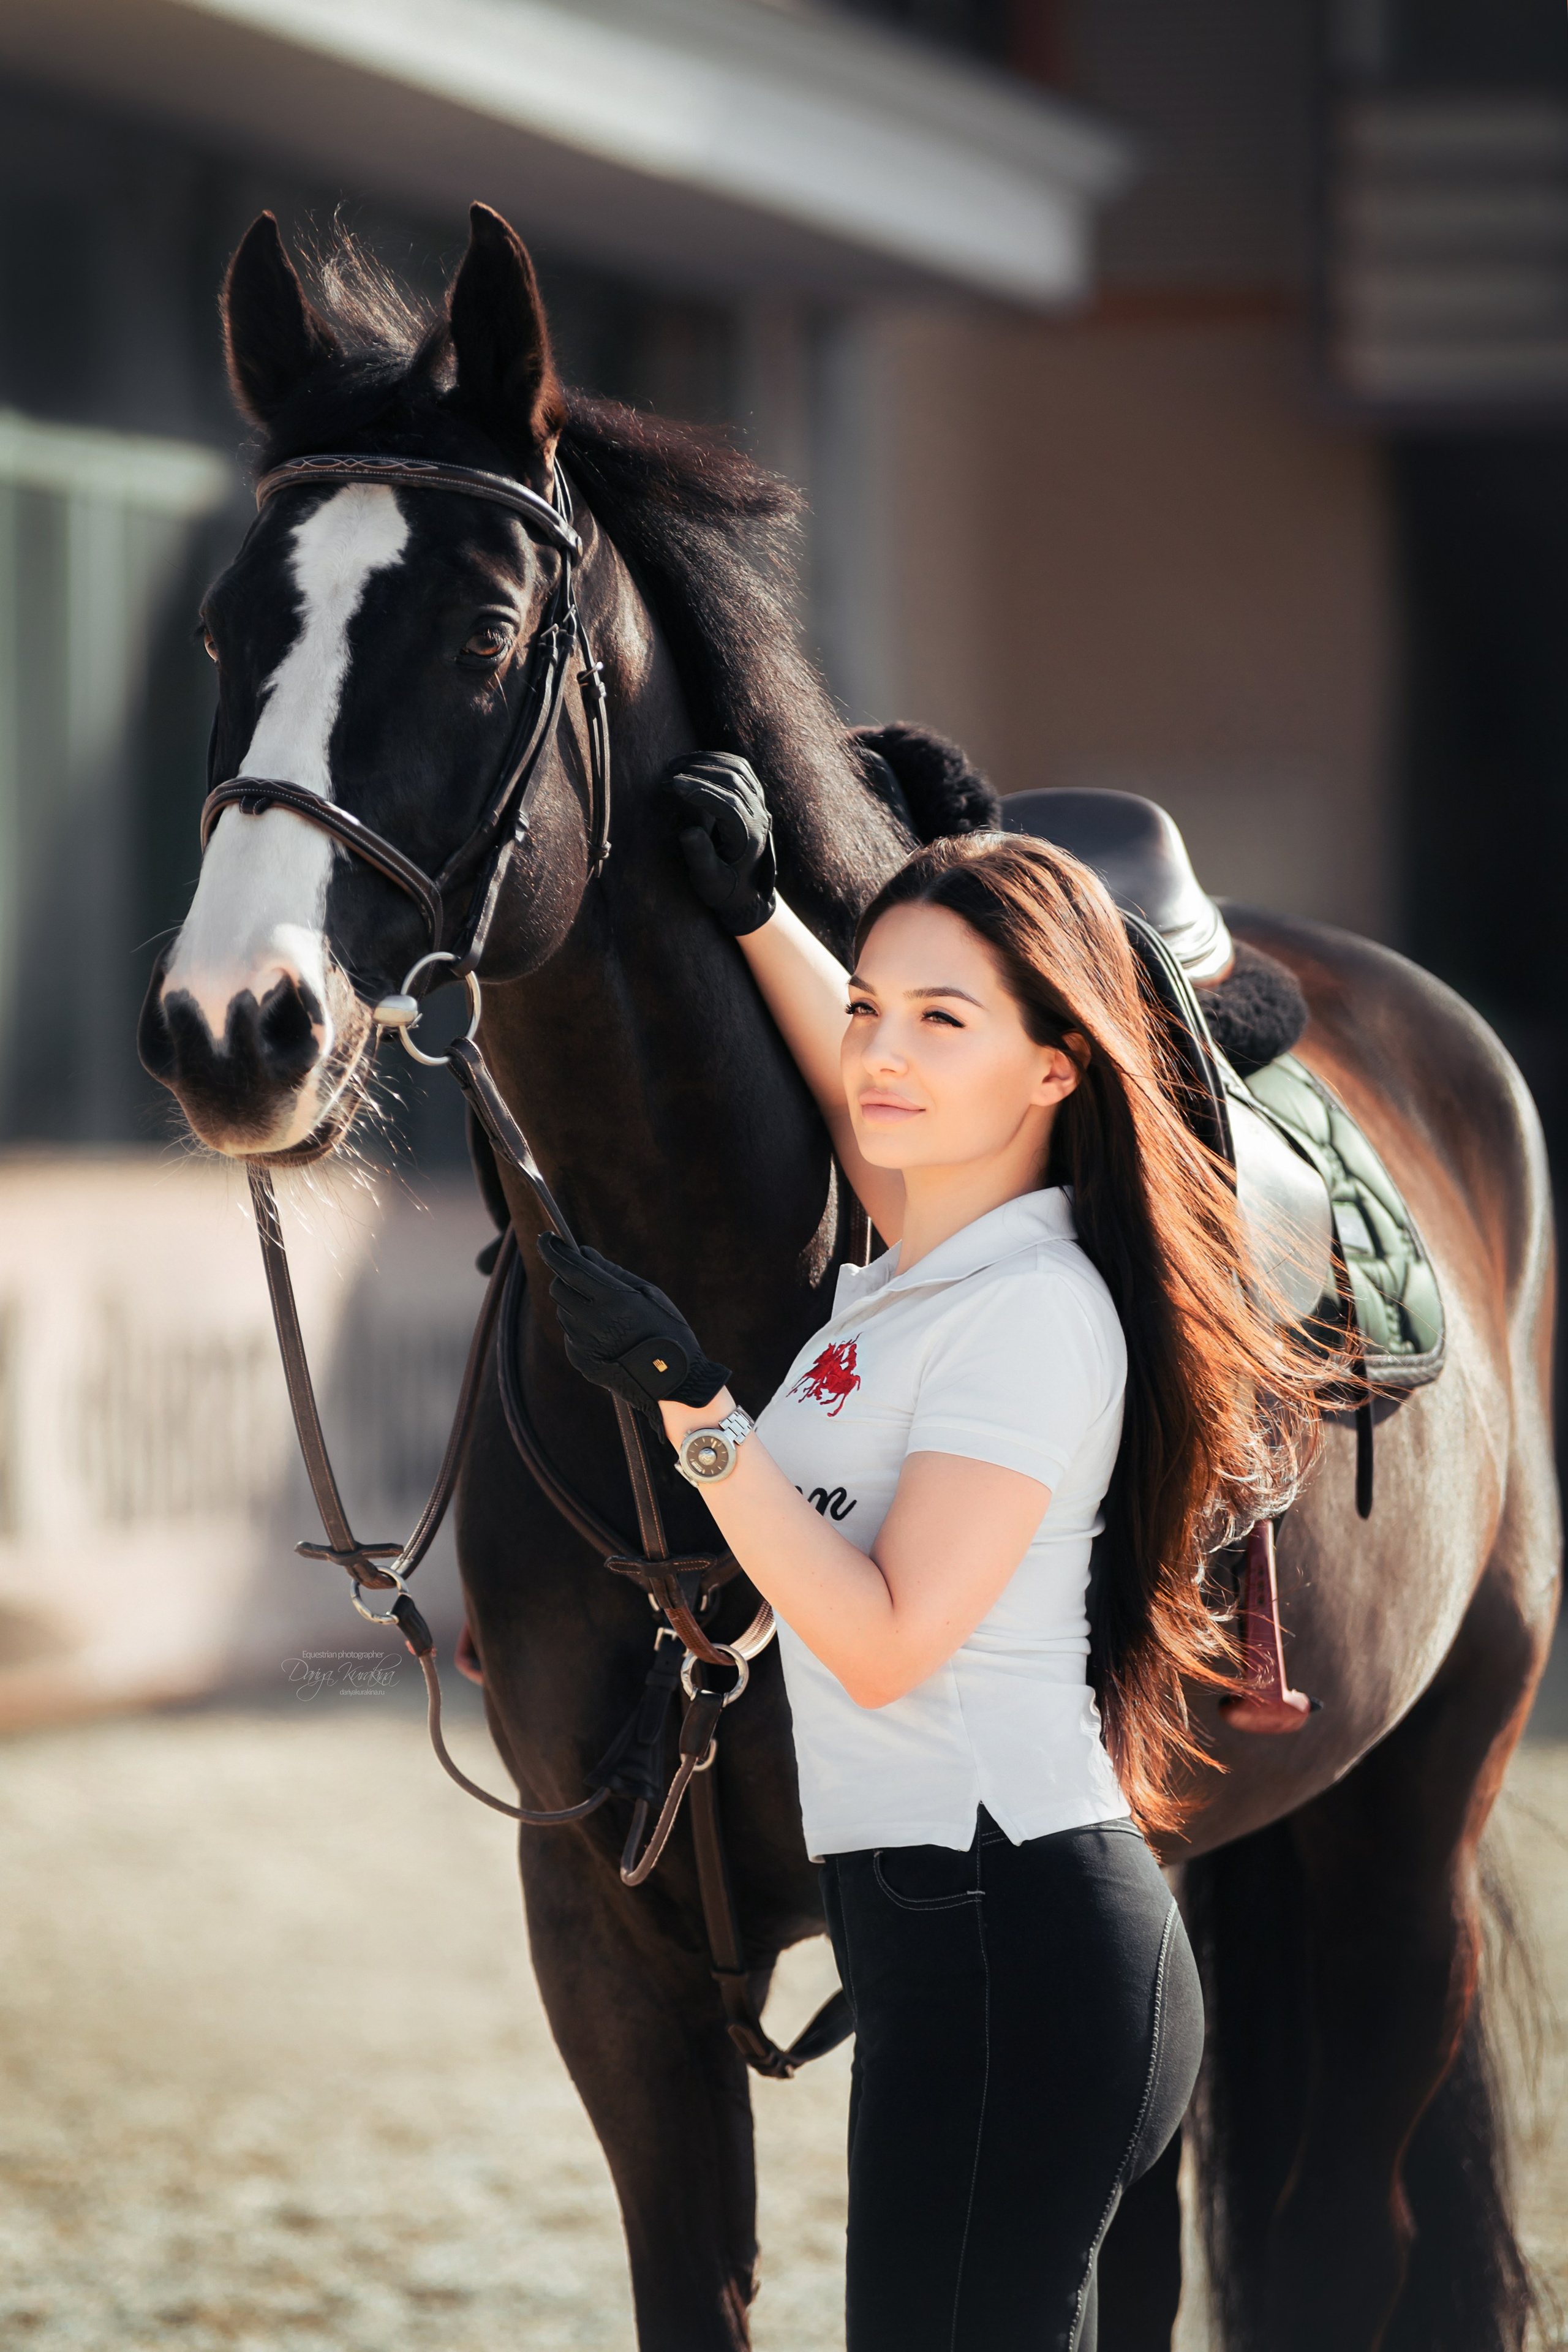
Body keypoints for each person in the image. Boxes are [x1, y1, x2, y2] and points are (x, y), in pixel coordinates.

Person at [538, 753, 1319, 2352]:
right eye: (868, 1008)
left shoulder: (1030, 1311)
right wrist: (759, 917)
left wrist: (697, 1408)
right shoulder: (923, 1267)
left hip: (1014, 1949)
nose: (883, 1053)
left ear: (1052, 1071)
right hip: (953, 1945)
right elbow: (866, 1112)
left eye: (943, 1021)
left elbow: (888, 1640)